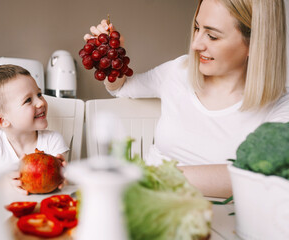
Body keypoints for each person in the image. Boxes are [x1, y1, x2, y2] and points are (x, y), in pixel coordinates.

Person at [84, 0, 289, 198]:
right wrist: (113, 58)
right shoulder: (178, 72)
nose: (195, 44)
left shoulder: (280, 106)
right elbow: (122, 87)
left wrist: (147, 176)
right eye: (197, 28)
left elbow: (256, 178)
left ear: (255, 43)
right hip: (147, 202)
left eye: (212, 36)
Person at [0, 64, 69, 195]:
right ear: (2, 120)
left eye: (39, 94)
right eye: (28, 100)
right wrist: (7, 182)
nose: (41, 102)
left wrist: (63, 175)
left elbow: (63, 182)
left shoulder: (53, 140)